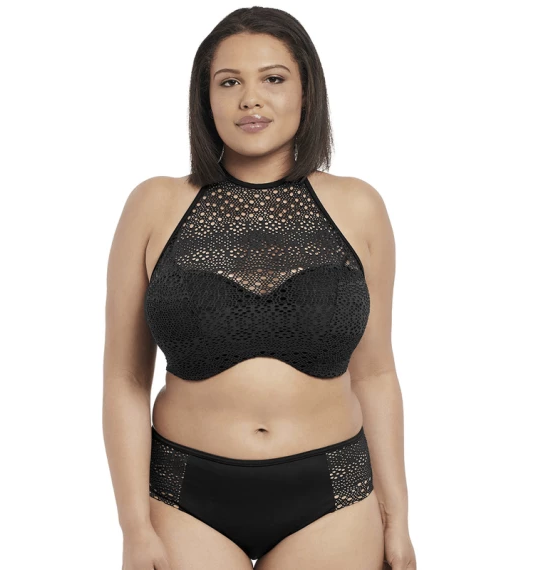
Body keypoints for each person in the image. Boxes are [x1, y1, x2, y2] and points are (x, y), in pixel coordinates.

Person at [103, 6, 416, 570]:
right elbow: (125, 379)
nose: (251, 99)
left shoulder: (359, 207)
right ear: (205, 99)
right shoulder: (154, 204)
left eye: (273, 78)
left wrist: (398, 520)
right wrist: (133, 526)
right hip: (183, 497)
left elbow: (376, 373)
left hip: (333, 498)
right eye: (230, 82)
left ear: (307, 92)